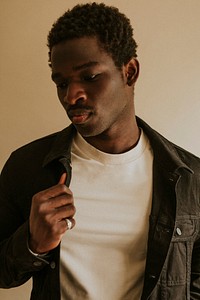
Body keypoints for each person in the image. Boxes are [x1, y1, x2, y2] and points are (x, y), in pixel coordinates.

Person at [0, 2, 200, 300]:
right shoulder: (28, 166)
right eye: (61, 82)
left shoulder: (190, 178)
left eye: (90, 77)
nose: (71, 95)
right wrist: (32, 244)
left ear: (129, 72)